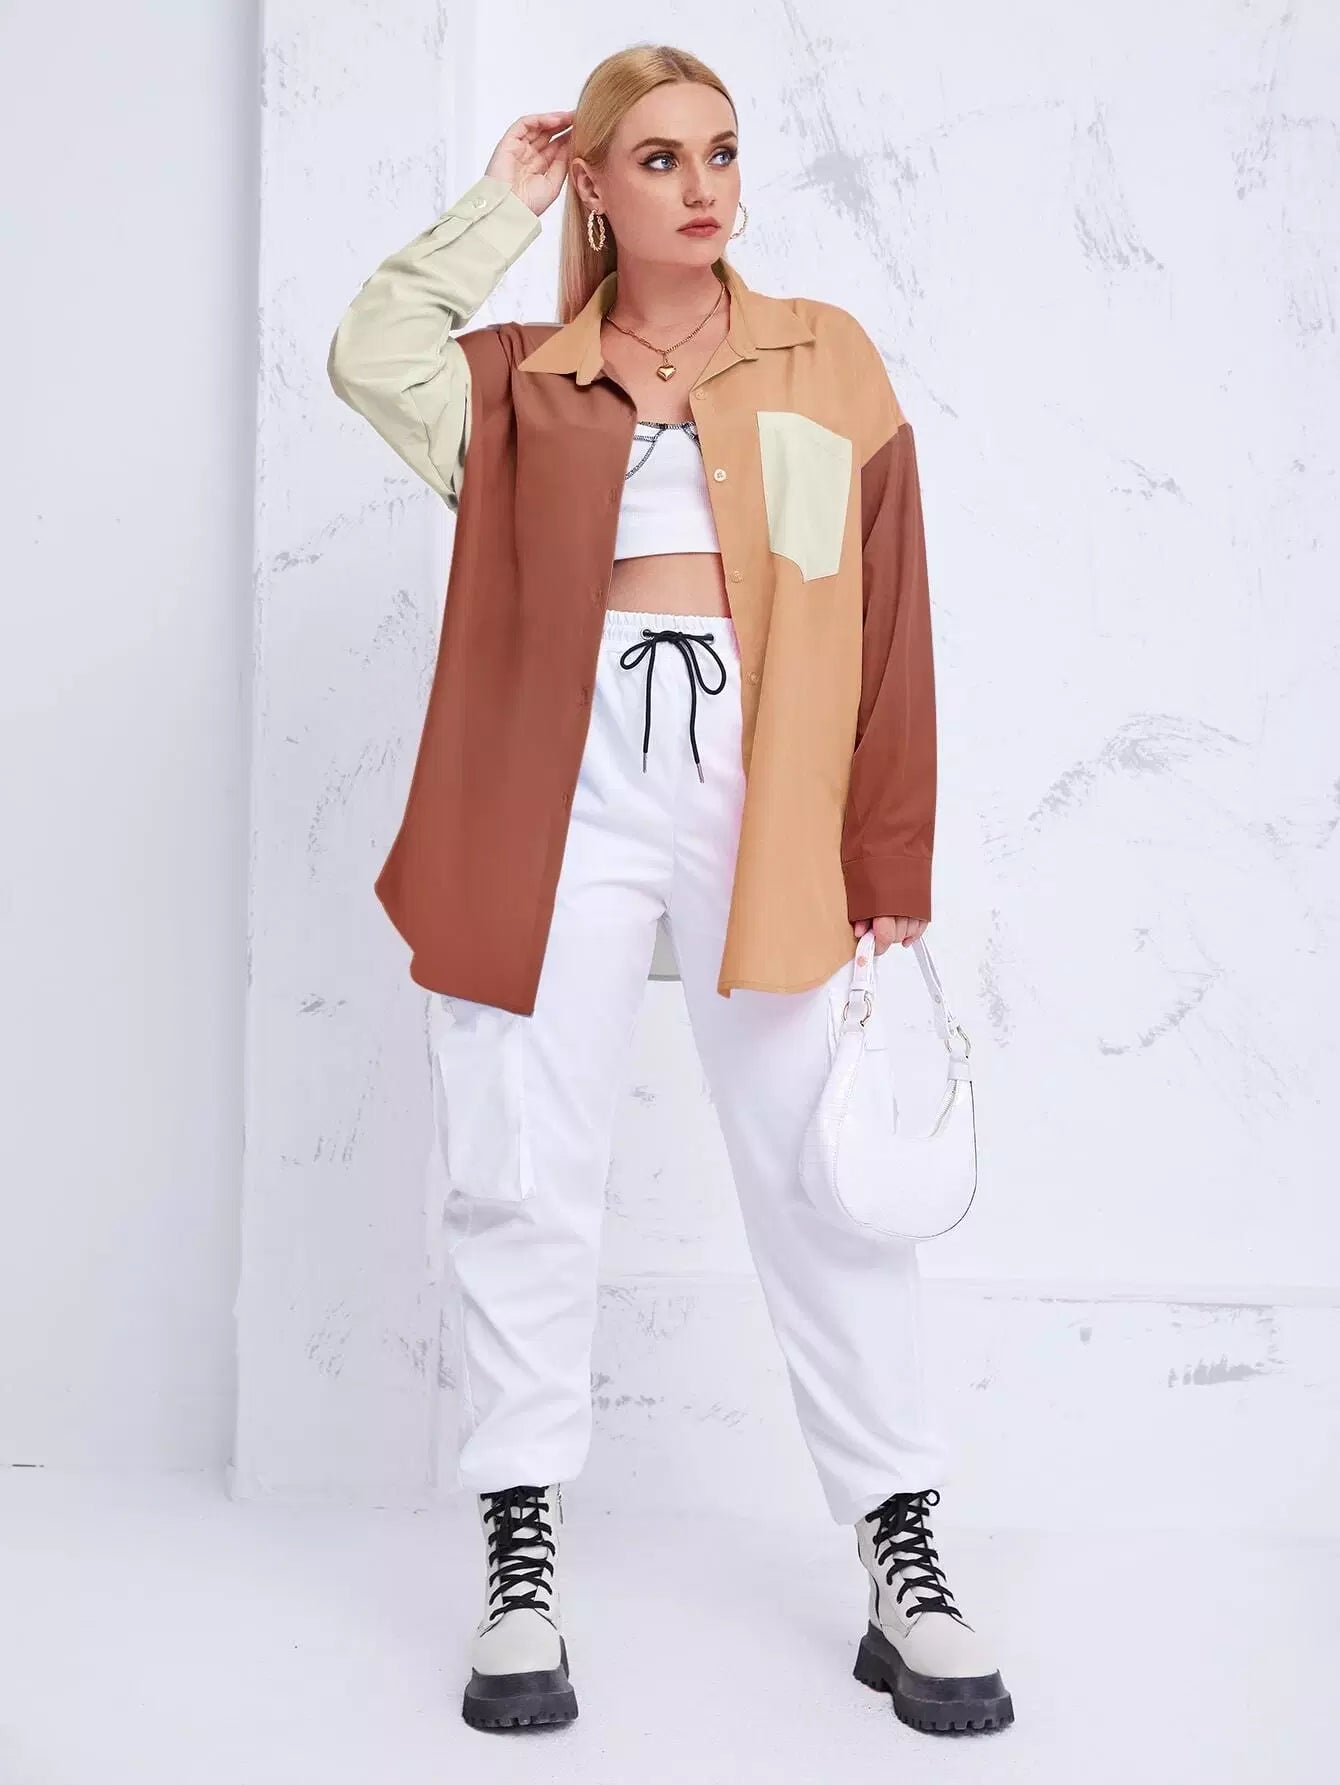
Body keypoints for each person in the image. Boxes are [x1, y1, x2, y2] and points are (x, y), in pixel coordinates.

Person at [327, 41, 1012, 1740]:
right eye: (655, 158)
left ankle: (901, 1541)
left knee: (819, 1173)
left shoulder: (825, 357)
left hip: (761, 793)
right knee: (520, 1168)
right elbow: (369, 351)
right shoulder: (520, 382)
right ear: (595, 183)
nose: (702, 186)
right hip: (556, 793)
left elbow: (894, 605)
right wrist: (500, 205)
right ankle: (521, 1548)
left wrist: (891, 847)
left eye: (721, 151)